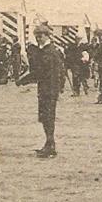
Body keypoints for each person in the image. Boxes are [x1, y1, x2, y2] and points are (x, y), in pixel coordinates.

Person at [17, 23, 63, 158]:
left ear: (47, 36)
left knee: (48, 118)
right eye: (36, 36)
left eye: (40, 36)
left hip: (49, 89)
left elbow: (40, 72)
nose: (38, 39)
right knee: (45, 117)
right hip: (46, 88)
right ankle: (49, 144)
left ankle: (50, 145)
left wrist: (23, 80)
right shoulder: (47, 50)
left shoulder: (49, 51)